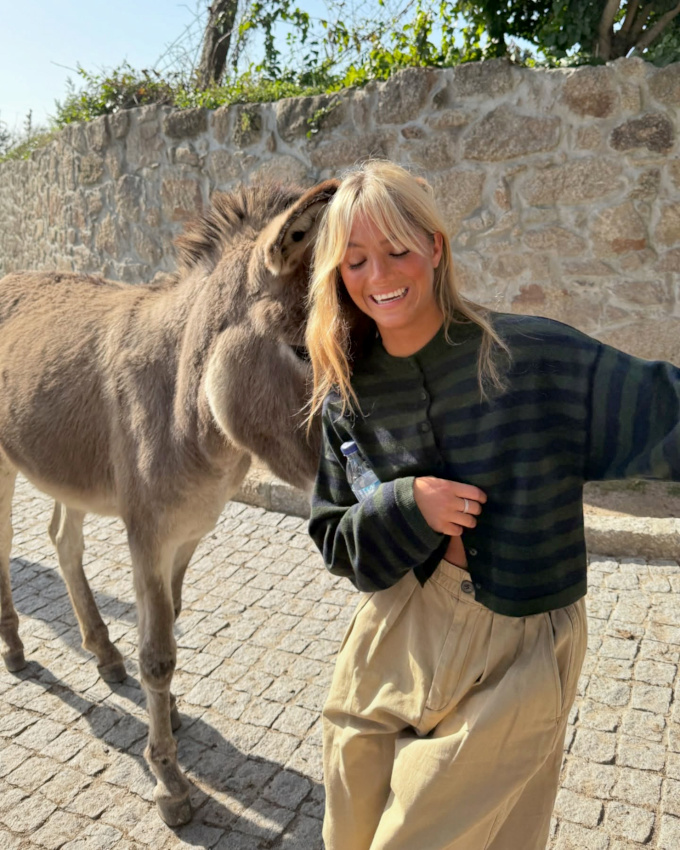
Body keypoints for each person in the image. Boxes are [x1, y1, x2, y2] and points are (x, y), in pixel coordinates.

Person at [304, 159, 680, 850]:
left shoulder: (532, 356)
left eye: (396, 250)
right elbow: (335, 538)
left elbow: (668, 414)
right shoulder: (345, 394)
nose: (379, 277)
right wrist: (405, 505)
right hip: (393, 629)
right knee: (348, 831)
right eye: (355, 261)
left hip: (519, 639)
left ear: (435, 248)